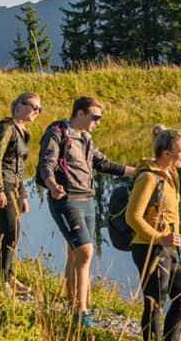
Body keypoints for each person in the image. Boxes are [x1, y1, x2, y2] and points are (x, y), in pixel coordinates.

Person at [37, 94, 135, 328]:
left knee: (75, 253)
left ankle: (73, 305)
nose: (98, 122)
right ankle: (82, 312)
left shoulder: (86, 138)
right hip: (65, 199)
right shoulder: (57, 133)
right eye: (95, 117)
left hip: (87, 200)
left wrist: (139, 170)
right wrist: (51, 185)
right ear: (80, 114)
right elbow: (46, 164)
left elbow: (103, 163)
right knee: (86, 252)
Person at [125, 125, 181, 341]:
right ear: (167, 154)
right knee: (156, 302)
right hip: (148, 247)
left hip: (168, 247)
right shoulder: (148, 178)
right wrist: (159, 237)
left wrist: (173, 238)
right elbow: (132, 217)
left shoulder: (171, 174)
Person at [0, 91, 42, 293]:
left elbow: (20, 167)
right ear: (19, 106)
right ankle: (3, 280)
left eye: (39, 109)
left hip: (15, 187)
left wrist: (24, 195)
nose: (37, 111)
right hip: (3, 185)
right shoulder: (5, 128)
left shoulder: (23, 131)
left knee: (13, 231)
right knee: (10, 229)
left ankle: (8, 277)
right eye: (33, 106)